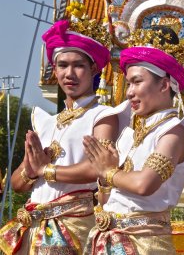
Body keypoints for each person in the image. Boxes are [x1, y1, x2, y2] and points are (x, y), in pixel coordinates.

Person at [0, 19, 119, 254]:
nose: (69, 73)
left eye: (78, 65)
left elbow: (98, 169)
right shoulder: (46, 122)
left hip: (73, 227)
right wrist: (31, 170)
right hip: (33, 227)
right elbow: (17, 184)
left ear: (93, 69)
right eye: (62, 65)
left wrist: (46, 171)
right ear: (54, 70)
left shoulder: (103, 116)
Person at [82, 27, 184, 254]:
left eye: (137, 82)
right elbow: (108, 197)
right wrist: (106, 179)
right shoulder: (129, 134)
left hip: (145, 244)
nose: (129, 92)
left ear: (164, 85)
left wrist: (109, 172)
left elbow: (144, 184)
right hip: (111, 240)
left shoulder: (174, 132)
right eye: (128, 83)